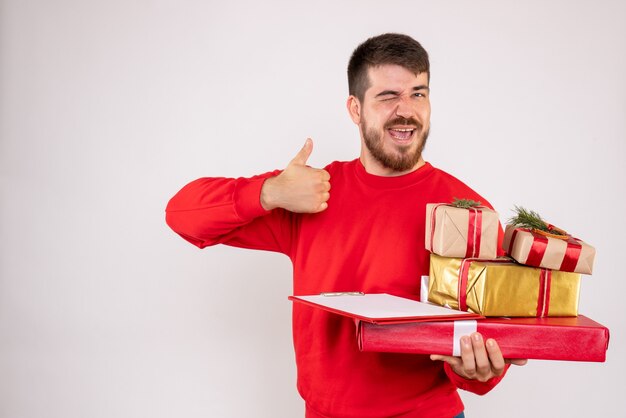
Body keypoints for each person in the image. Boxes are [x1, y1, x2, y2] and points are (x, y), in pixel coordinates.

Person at [166, 33, 526, 418]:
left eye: (418, 94)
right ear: (355, 109)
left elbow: (484, 357)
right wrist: (269, 192)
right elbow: (183, 216)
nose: (406, 110)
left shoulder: (468, 211)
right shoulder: (309, 192)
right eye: (388, 96)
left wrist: (481, 372)